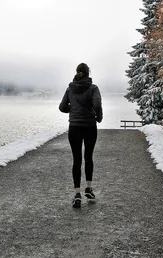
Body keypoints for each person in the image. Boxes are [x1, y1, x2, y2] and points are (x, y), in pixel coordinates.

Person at [59, 63, 103, 208]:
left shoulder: (70, 88)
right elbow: (97, 105)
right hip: (90, 126)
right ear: (88, 73)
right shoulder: (93, 88)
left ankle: (77, 193)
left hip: (74, 127)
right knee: (88, 157)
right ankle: (89, 189)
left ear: (77, 72)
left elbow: (62, 107)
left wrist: (73, 109)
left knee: (76, 159)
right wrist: (99, 117)